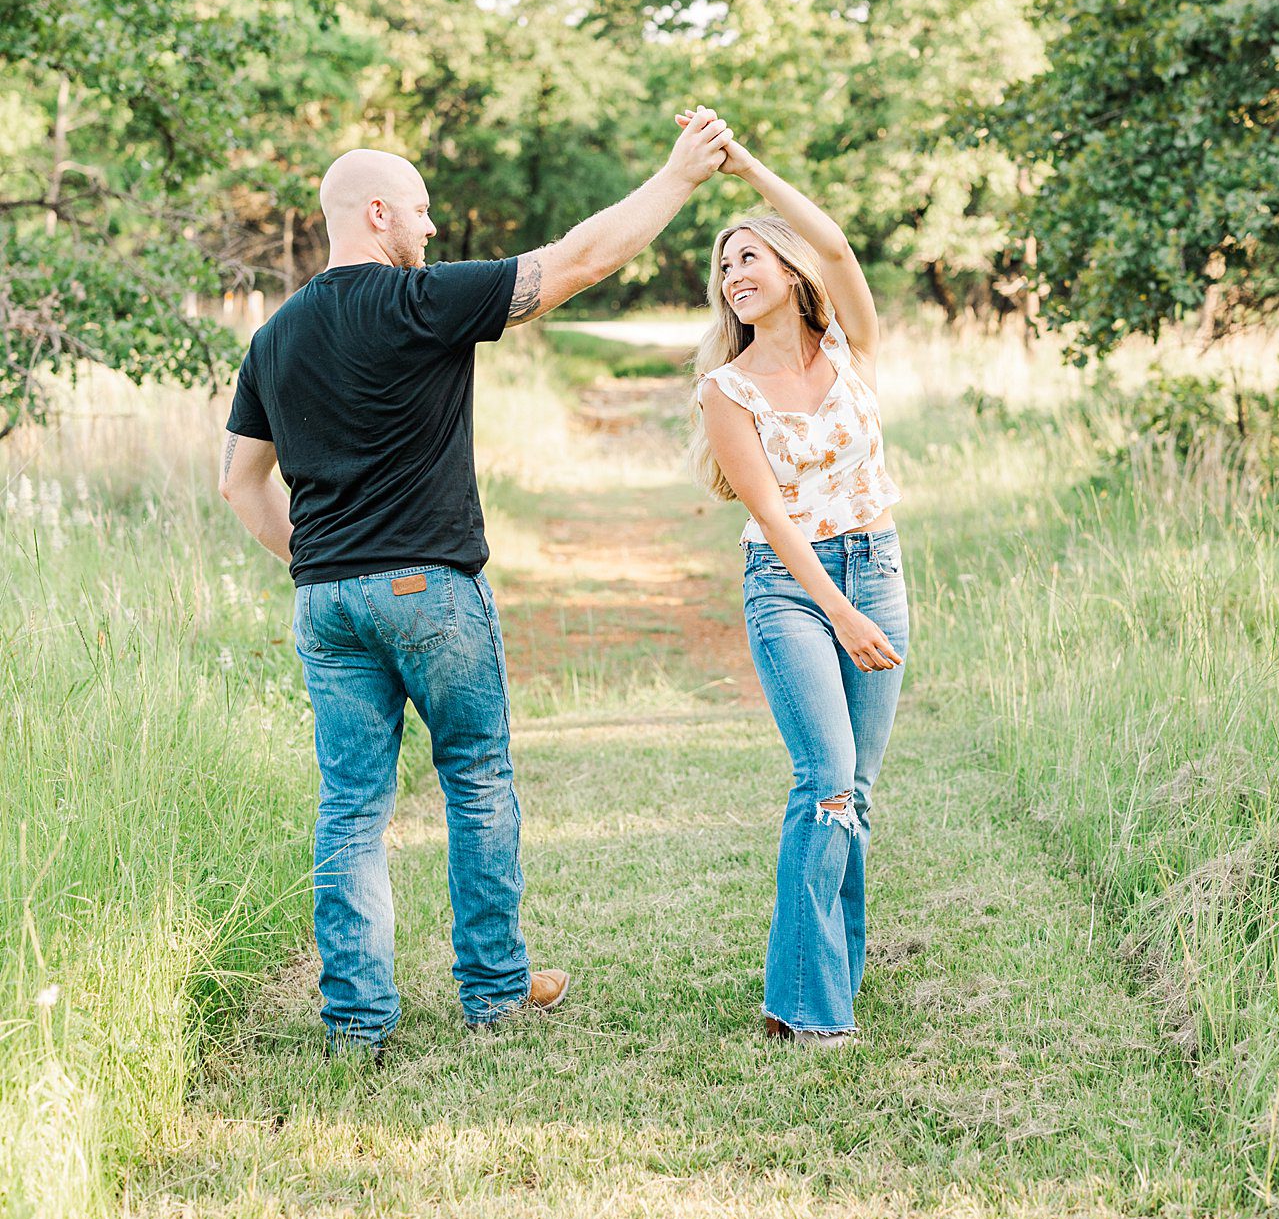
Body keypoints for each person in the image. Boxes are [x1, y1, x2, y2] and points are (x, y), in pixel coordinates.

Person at [219, 109, 733, 1058]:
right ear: (376, 213)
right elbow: (578, 261)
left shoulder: (274, 338)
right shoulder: (421, 301)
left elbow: (238, 483)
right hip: (430, 593)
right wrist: (677, 179)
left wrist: (319, 564)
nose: (429, 231)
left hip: (325, 604)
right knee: (478, 781)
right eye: (418, 213)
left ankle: (358, 1023)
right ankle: (495, 993)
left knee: (350, 810)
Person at [688, 123, 908, 1048]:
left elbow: (837, 245)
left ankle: (818, 986)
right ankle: (812, 1008)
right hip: (791, 587)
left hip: (879, 563)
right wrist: (840, 610)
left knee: (854, 789)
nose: (736, 272)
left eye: (750, 256)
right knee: (822, 780)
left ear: (785, 269)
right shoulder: (724, 389)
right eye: (724, 265)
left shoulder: (848, 345)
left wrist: (745, 170)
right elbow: (773, 520)